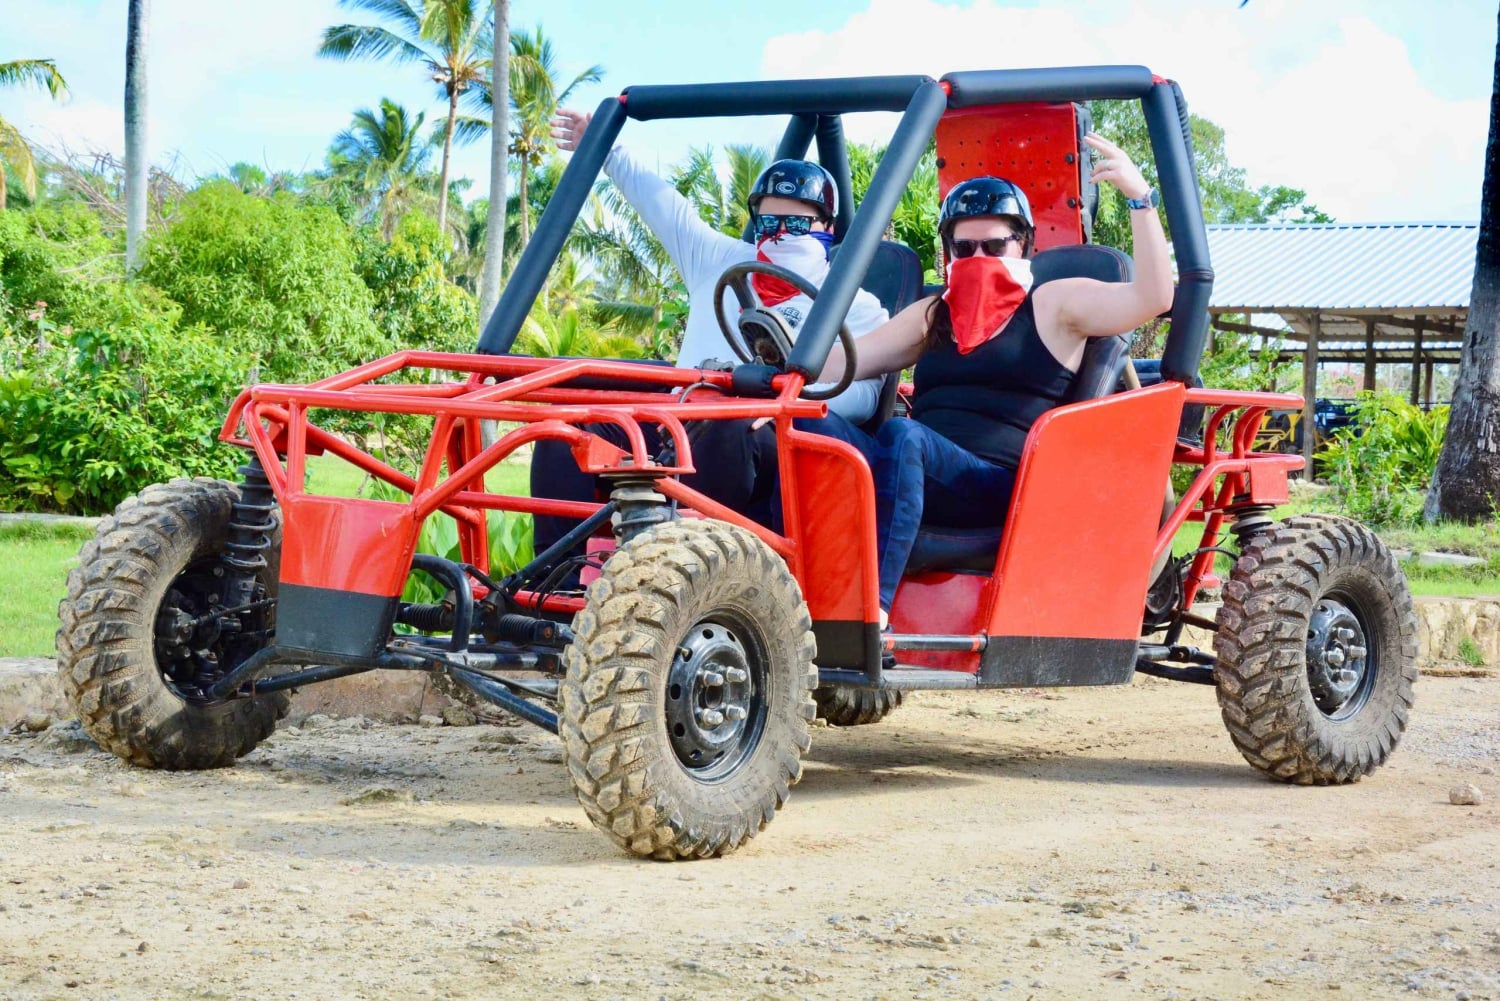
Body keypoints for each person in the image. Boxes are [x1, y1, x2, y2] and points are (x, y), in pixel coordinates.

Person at [809, 132, 1174, 623]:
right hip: (912, 468)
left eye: (994, 244)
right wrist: (772, 378)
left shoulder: (1054, 302)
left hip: (999, 485)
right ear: (949, 251)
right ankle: (776, 598)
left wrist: (1140, 198)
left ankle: (868, 615)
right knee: (804, 424)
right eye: (965, 246)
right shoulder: (935, 313)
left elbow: (1152, 297)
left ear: (1022, 243)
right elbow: (843, 360)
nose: (978, 257)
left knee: (904, 434)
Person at [528, 109, 888, 575]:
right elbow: (665, 208)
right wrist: (607, 147)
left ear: (826, 228)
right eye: (768, 223)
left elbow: (865, 395)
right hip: (677, 416)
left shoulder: (856, 304)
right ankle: (549, 586)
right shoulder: (718, 258)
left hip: (763, 434)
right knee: (564, 435)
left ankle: (698, 579)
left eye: (795, 226)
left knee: (724, 429)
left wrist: (786, 399)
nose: (779, 236)